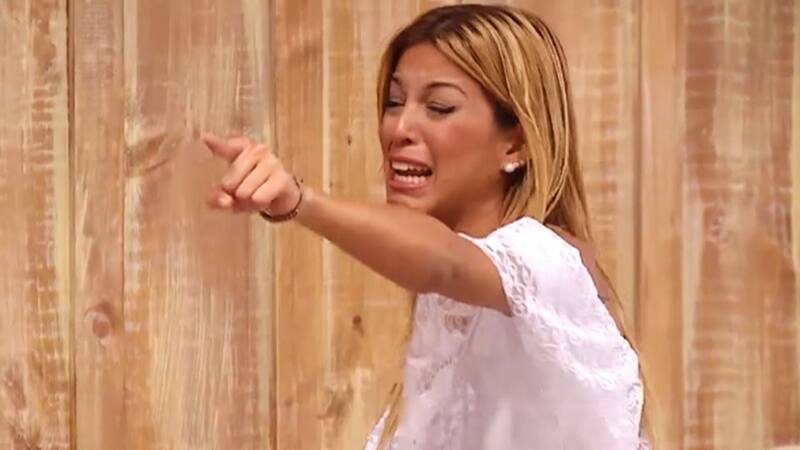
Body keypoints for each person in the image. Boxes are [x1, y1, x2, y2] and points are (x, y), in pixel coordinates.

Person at [201, 3, 652, 449]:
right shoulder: (448, 317)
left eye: (439, 107)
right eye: (394, 102)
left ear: (515, 144)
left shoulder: (549, 261)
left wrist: (298, 201)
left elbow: (445, 265)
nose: (399, 127)